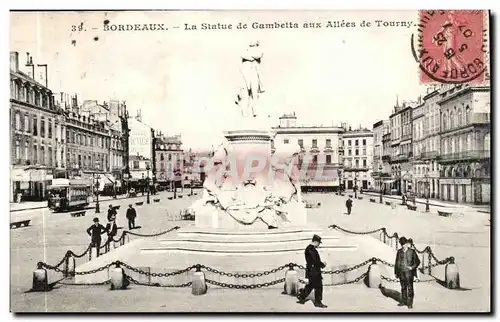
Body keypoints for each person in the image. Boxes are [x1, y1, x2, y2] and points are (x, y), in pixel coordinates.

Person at [297, 235, 328, 308]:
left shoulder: (310, 248)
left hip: (312, 271)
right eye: (319, 243)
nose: (319, 245)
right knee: (318, 287)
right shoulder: (311, 249)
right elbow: (315, 261)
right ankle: (318, 302)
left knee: (310, 286)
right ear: (315, 242)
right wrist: (323, 265)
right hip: (314, 271)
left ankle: (301, 297)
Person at [394, 236, 421, 309]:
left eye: (404, 244)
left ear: (406, 243)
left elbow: (418, 262)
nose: (402, 245)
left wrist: (412, 267)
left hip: (409, 273)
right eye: (401, 244)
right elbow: (396, 262)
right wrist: (396, 272)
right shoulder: (399, 252)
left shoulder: (412, 252)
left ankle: (410, 303)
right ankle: (403, 301)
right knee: (403, 287)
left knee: (410, 288)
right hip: (401, 272)